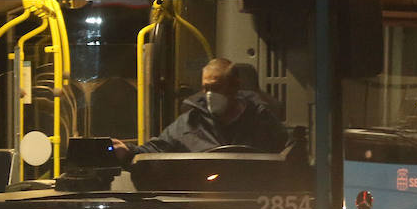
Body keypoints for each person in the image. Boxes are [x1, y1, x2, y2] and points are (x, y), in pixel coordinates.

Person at [112, 57, 288, 163]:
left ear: (235, 87)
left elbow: (289, 158)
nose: (210, 94)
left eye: (217, 87)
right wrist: (127, 151)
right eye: (206, 88)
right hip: (203, 203)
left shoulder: (261, 120)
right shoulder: (190, 122)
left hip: (251, 205)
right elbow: (157, 150)